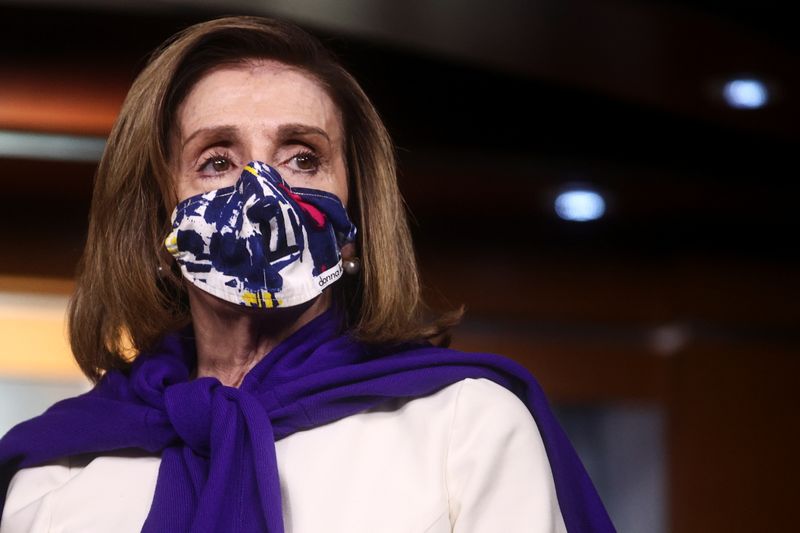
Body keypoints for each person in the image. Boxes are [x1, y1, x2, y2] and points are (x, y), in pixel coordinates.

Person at [0, 16, 613, 533]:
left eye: (303, 157)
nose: (265, 193)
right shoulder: (62, 469)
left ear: (356, 220)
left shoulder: (464, 427)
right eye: (217, 160)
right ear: (158, 222)